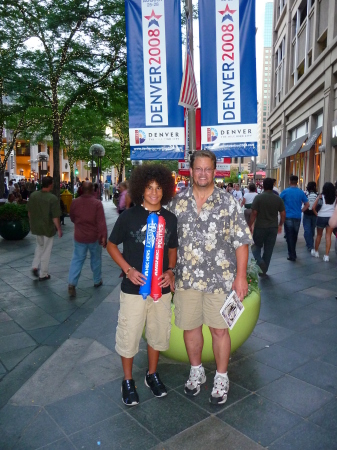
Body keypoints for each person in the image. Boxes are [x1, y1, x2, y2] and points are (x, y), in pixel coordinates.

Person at [167, 150, 251, 405]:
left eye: (208, 169)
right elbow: (168, 242)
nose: (203, 173)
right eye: (198, 168)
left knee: (219, 330)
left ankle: (222, 376)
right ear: (190, 171)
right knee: (190, 328)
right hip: (187, 280)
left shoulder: (228, 203)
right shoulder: (176, 203)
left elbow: (241, 241)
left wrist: (241, 276)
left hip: (220, 280)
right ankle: (196, 371)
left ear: (215, 171)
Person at [107, 164, 178, 406]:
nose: (154, 192)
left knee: (158, 334)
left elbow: (172, 249)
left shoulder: (170, 219)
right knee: (129, 335)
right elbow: (111, 245)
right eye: (149, 187)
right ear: (141, 189)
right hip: (133, 290)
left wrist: (171, 271)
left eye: (159, 188)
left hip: (161, 290)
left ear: (165, 190)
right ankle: (127, 380)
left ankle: (152, 374)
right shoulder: (128, 216)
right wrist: (128, 270)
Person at [68, 182, 107, 297]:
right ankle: (97, 280)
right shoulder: (97, 204)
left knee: (77, 259)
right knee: (96, 259)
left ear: (81, 189)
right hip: (93, 236)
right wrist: (103, 236)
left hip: (79, 236)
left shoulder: (75, 202)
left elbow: (72, 217)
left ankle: (72, 283)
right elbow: (101, 222)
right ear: (92, 190)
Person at [27, 176, 62, 280]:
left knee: (39, 246)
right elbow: (55, 217)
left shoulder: (33, 195)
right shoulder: (52, 198)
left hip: (37, 227)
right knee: (46, 250)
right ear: (50, 184)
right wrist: (59, 229)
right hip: (47, 227)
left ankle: (35, 265)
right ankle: (43, 273)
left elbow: (29, 212)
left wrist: (32, 222)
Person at [249, 178, 286, 276]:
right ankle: (264, 271)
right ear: (272, 186)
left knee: (255, 246)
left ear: (263, 186)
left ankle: (259, 260)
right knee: (268, 249)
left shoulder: (259, 197)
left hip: (260, 226)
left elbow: (254, 213)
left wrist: (250, 225)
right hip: (273, 227)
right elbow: (283, 213)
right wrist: (280, 225)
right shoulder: (278, 198)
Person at [280, 175, 309, 261]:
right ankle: (293, 252)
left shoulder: (285, 191)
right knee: (295, 235)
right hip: (297, 216)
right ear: (297, 182)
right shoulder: (300, 192)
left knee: (289, 236)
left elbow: (279, 201)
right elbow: (307, 204)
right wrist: (301, 210)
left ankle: (291, 254)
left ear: (289, 181)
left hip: (288, 216)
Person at [311, 181, 336, 261]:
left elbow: (313, 207)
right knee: (328, 236)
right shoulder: (335, 198)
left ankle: (316, 251)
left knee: (319, 235)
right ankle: (326, 255)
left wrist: (316, 214)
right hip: (330, 218)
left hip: (321, 217)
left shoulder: (320, 197)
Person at [303, 181, 318, 252]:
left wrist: (302, 210)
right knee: (312, 229)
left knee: (307, 229)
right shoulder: (317, 194)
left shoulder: (305, 193)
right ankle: (310, 243)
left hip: (307, 213)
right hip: (315, 214)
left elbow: (303, 202)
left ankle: (310, 245)